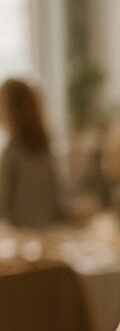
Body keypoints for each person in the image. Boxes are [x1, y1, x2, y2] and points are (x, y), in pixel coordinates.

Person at [0, 79, 62, 228]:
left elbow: (2, 203)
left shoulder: (14, 149)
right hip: (48, 232)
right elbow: (57, 200)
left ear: (12, 110)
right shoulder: (44, 145)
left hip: (21, 236)